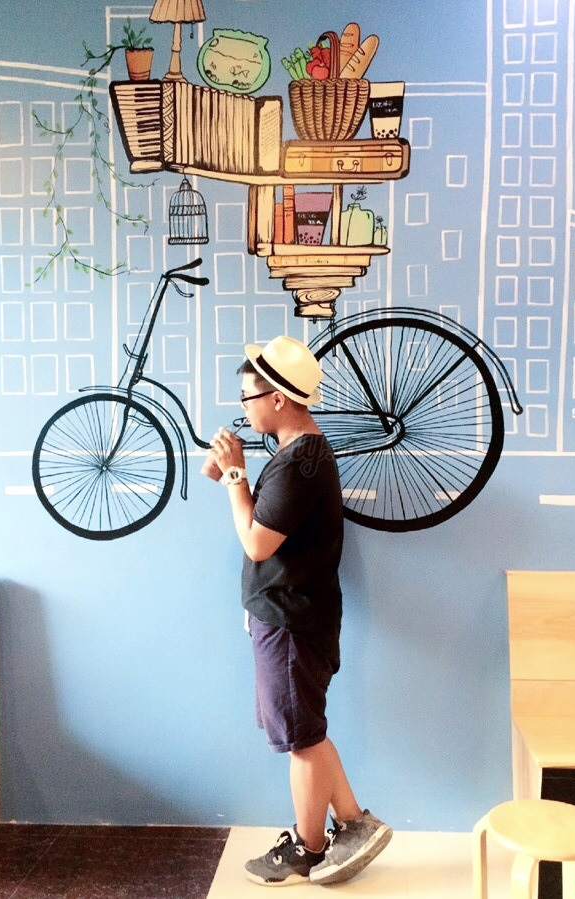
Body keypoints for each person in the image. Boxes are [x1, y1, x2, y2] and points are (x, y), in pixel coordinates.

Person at [206, 334, 392, 887]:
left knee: (300, 739)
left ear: (278, 398)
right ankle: (354, 824)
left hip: (291, 619)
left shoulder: (300, 463)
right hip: (288, 615)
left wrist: (236, 477)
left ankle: (308, 850)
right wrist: (232, 475)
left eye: (248, 397)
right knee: (304, 729)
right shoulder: (297, 455)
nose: (243, 408)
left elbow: (257, 543)